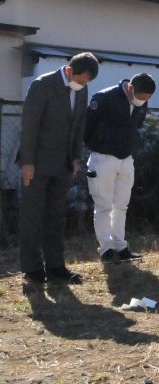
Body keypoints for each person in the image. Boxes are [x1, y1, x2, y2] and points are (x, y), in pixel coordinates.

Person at [18, 52, 99, 284]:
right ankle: (32, 269)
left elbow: (79, 125)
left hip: (63, 165)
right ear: (70, 70)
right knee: (32, 217)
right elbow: (30, 126)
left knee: (56, 217)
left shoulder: (81, 90)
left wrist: (75, 157)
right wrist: (27, 162)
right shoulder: (43, 85)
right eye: (82, 80)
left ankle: (56, 267)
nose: (83, 85)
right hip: (37, 164)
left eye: (87, 83)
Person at [84, 73, 156, 263]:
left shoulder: (142, 102)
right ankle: (106, 250)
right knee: (103, 206)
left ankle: (120, 246)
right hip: (103, 158)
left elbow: (136, 126)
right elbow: (86, 126)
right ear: (131, 89)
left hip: (127, 160)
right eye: (142, 98)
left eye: (147, 99)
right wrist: (99, 144)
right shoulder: (104, 97)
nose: (143, 102)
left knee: (121, 205)